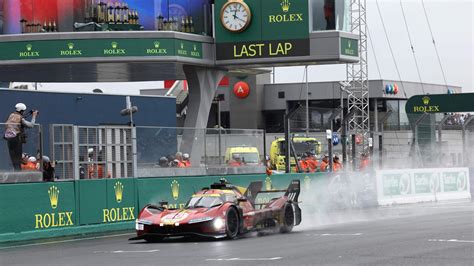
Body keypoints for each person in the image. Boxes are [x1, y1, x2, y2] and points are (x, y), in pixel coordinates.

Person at [3, 103, 38, 170]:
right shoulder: (20, 118)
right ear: (21, 111)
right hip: (16, 139)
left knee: (13, 157)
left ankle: (15, 170)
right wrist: (34, 116)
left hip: (9, 139)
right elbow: (31, 125)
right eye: (24, 110)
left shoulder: (11, 115)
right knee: (18, 157)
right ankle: (18, 172)